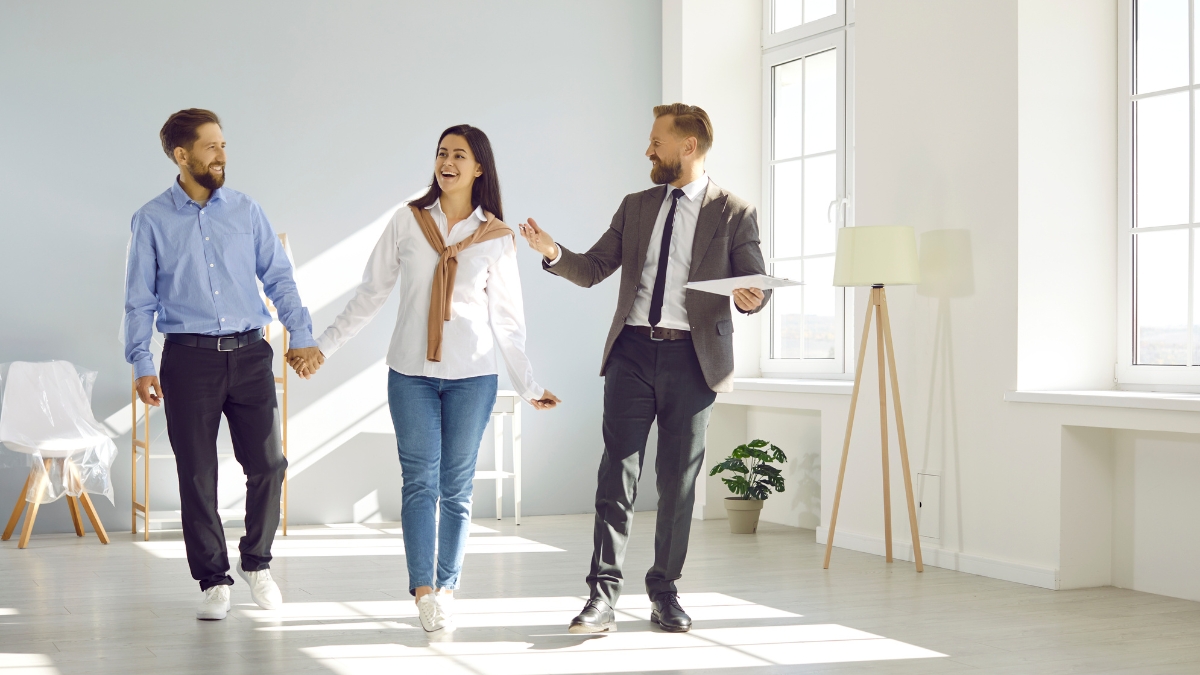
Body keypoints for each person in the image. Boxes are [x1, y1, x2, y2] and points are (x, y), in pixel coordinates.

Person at [289, 124, 559, 635]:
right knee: (419, 484)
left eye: (459, 154)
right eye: (441, 153)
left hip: (472, 377)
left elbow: (508, 320)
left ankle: (448, 588)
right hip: (410, 373)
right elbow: (370, 294)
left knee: (456, 488)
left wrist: (529, 385)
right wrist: (322, 347)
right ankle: (423, 592)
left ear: (479, 167)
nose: (446, 162)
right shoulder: (407, 222)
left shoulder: (497, 237)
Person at [517, 103, 770, 634]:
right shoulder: (635, 206)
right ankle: (602, 597)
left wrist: (750, 299)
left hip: (694, 359)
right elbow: (593, 269)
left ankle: (664, 591)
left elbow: (753, 285)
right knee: (617, 473)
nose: (648, 149)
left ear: (689, 147)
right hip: (632, 351)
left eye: (657, 140)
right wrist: (552, 251)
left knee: (678, 482)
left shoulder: (734, 212)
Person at [124, 108, 324, 620]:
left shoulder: (246, 211)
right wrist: (142, 362)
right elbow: (139, 301)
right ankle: (213, 580)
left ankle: (256, 563)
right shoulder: (151, 219)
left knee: (269, 465)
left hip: (251, 354)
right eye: (211, 146)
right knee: (197, 474)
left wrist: (301, 335)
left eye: (224, 145)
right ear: (182, 155)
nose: (221, 155)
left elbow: (280, 279)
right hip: (187, 362)